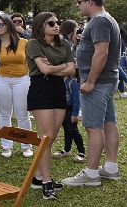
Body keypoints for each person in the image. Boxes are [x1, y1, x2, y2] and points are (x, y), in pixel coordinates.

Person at [62, 0, 122, 188]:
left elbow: (101, 53)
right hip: (106, 80)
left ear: (89, 1)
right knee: (109, 123)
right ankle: (111, 168)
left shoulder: (99, 21)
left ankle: (91, 174)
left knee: (93, 127)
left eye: (79, 1)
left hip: (98, 82)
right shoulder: (106, 19)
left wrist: (90, 81)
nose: (77, 5)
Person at [26, 12, 76, 199]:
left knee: (52, 136)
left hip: (58, 90)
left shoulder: (65, 44)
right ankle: (47, 181)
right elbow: (45, 70)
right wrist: (61, 66)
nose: (56, 26)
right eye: (51, 23)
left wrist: (56, 68)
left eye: (58, 22)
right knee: (46, 136)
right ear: (41, 26)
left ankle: (38, 177)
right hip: (40, 89)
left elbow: (72, 70)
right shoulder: (33, 44)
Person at [0, 14, 33, 158]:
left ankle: (26, 145)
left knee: (23, 114)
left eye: (0, 24)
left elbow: (32, 61)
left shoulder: (23, 43)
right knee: (3, 113)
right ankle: (6, 146)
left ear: (8, 26)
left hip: (22, 79)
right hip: (1, 79)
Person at [53, 73, 87, 164]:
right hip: (62, 109)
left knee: (73, 130)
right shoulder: (59, 82)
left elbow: (76, 99)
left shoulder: (72, 83)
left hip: (70, 110)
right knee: (67, 130)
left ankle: (81, 152)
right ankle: (67, 149)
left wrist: (75, 114)